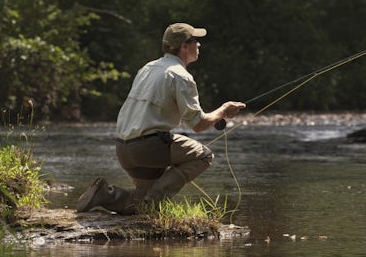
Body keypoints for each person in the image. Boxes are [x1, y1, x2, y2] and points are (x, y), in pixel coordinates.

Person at [76, 22, 245, 214]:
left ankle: (105, 194)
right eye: (195, 40)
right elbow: (198, 124)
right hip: (148, 148)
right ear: (183, 46)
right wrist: (223, 110)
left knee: (139, 204)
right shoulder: (181, 75)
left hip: (123, 149)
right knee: (204, 155)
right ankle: (152, 202)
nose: (199, 45)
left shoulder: (148, 67)